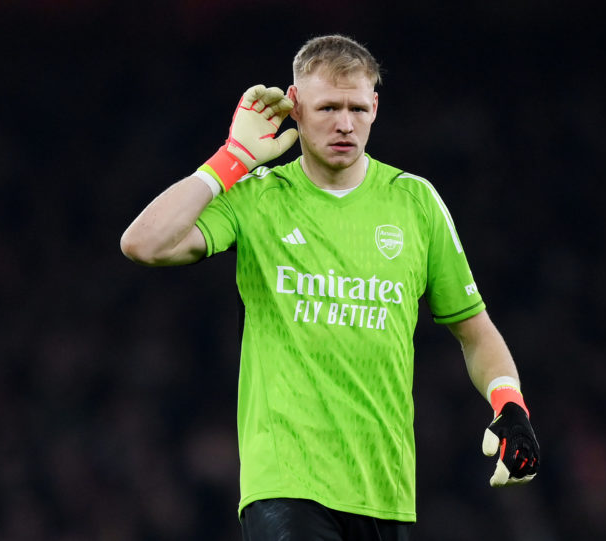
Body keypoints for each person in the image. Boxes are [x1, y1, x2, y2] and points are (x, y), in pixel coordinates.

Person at [120, 34, 540, 541]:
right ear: (294, 107)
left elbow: (475, 331)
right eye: (327, 108)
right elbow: (143, 243)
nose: (345, 123)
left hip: (386, 490)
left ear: (376, 107)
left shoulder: (415, 203)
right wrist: (232, 158)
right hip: (286, 485)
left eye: (357, 108)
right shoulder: (257, 198)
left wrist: (510, 406)